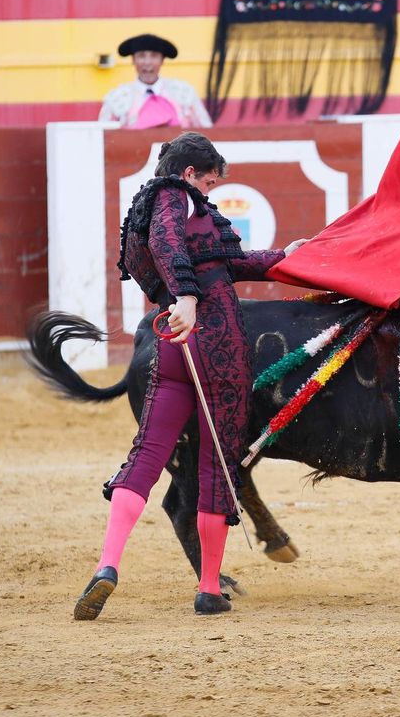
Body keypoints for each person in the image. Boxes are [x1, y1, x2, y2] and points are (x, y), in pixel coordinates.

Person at [73, 131, 302, 620]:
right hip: (215, 340)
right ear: (189, 173)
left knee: (148, 454)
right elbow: (168, 240)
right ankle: (208, 587)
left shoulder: (153, 207)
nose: (210, 193)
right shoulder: (173, 196)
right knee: (216, 466)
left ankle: (107, 566)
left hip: (172, 345)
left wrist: (288, 256)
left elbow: (234, 262)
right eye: (209, 182)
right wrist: (188, 298)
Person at [98, 35, 213, 128]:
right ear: (133, 60)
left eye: (154, 56)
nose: (147, 62)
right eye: (141, 56)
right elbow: (104, 137)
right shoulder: (117, 97)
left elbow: (206, 130)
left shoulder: (184, 93)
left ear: (162, 60)